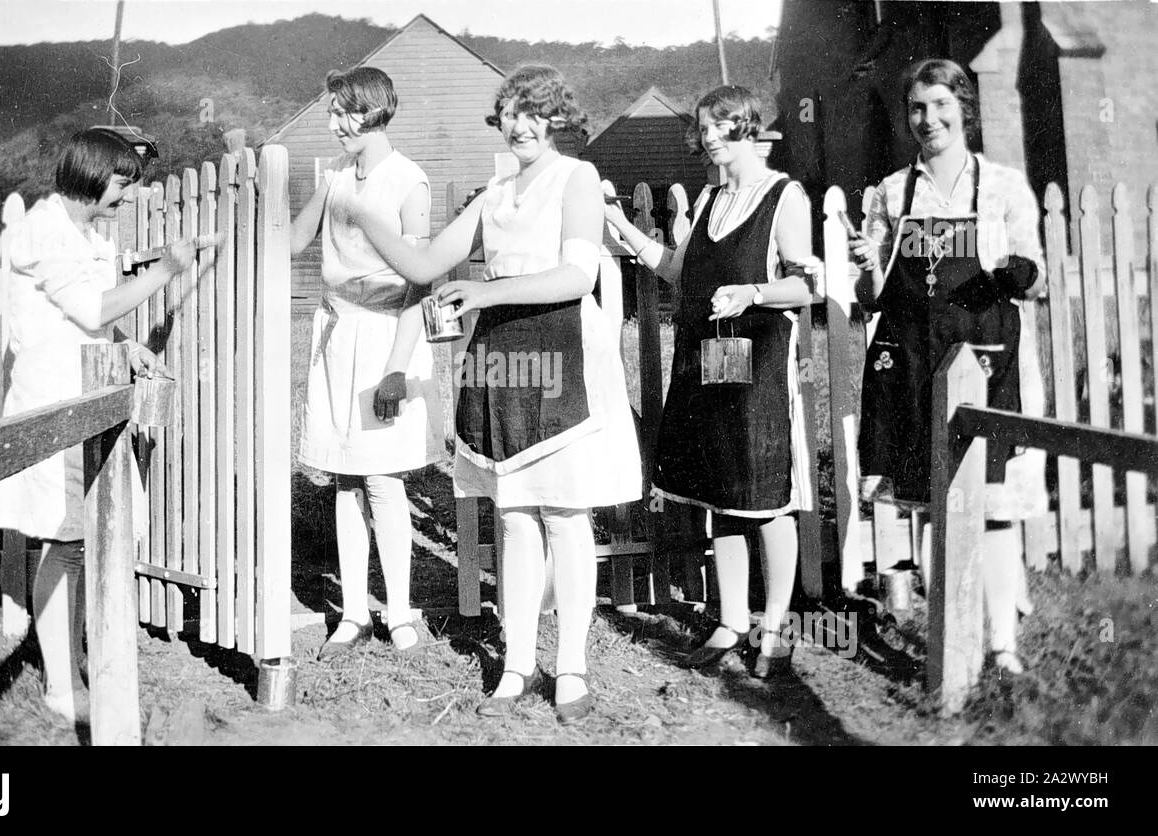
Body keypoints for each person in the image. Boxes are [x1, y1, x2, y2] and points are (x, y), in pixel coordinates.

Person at [348, 65, 642, 724]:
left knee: (565, 517)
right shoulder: (496, 192)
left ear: (555, 118)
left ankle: (570, 668)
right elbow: (425, 267)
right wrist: (368, 217)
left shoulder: (578, 180)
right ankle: (516, 663)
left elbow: (574, 275)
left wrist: (485, 291)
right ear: (500, 120)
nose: (521, 124)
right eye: (510, 112)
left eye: (534, 113)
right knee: (512, 516)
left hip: (559, 348)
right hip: (499, 358)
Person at [0, 128, 208, 723]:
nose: (127, 196)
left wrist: (127, 347)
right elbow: (90, 308)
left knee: (79, 543)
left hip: (81, 398)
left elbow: (91, 319)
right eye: (121, 184)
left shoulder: (80, 231)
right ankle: (61, 688)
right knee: (65, 542)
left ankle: (72, 663)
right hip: (53, 406)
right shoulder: (45, 232)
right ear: (90, 174)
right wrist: (167, 270)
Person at [605, 85, 816, 679]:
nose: (709, 137)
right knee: (719, 497)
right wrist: (619, 223)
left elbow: (806, 287)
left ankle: (774, 625)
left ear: (748, 128)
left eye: (721, 125)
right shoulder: (709, 199)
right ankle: (731, 620)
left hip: (760, 369)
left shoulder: (783, 196)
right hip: (706, 364)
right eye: (703, 128)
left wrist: (753, 292)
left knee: (767, 500)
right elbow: (676, 269)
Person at [848, 58, 1048, 674]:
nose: (928, 119)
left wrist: (1007, 274)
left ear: (964, 108)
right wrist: (865, 264)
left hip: (985, 364)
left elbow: (1033, 277)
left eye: (940, 104)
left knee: (989, 509)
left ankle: (1001, 647)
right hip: (913, 366)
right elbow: (871, 295)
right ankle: (951, 642)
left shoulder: (1005, 185)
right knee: (934, 507)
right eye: (916, 107)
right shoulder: (889, 192)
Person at [288, 67, 443, 659]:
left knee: (382, 477)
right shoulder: (334, 181)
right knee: (344, 477)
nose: (334, 126)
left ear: (375, 111)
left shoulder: (409, 182)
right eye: (332, 114)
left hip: (386, 338)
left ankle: (400, 614)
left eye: (343, 114)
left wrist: (396, 369)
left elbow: (419, 284)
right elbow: (290, 243)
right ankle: (353, 612)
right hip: (337, 335)